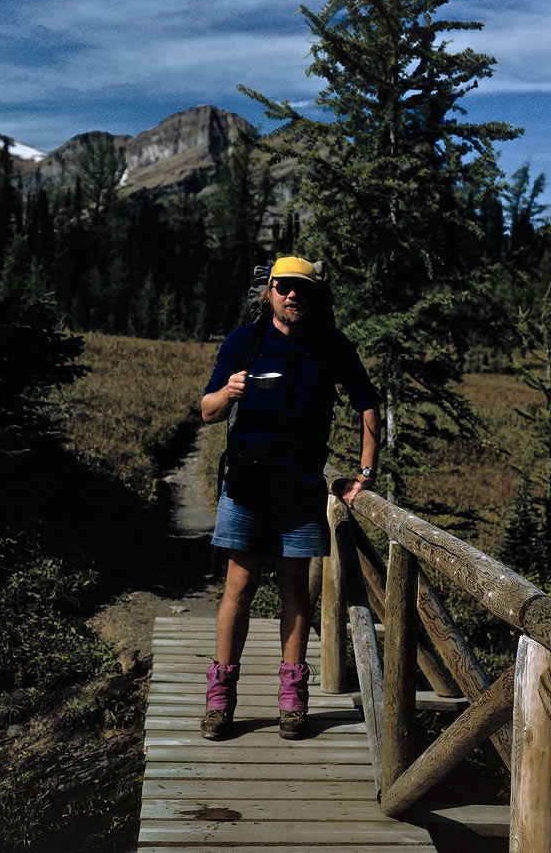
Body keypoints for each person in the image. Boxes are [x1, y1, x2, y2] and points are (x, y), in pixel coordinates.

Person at [200, 255, 381, 741]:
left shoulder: (329, 346)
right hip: (246, 486)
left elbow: (367, 399)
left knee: (295, 591)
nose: (291, 294)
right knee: (238, 589)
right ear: (269, 292)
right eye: (283, 286)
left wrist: (365, 471)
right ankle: (221, 696)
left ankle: (292, 698)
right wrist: (229, 392)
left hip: (301, 488)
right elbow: (207, 410)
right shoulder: (246, 340)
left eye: (301, 288)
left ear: (314, 296)